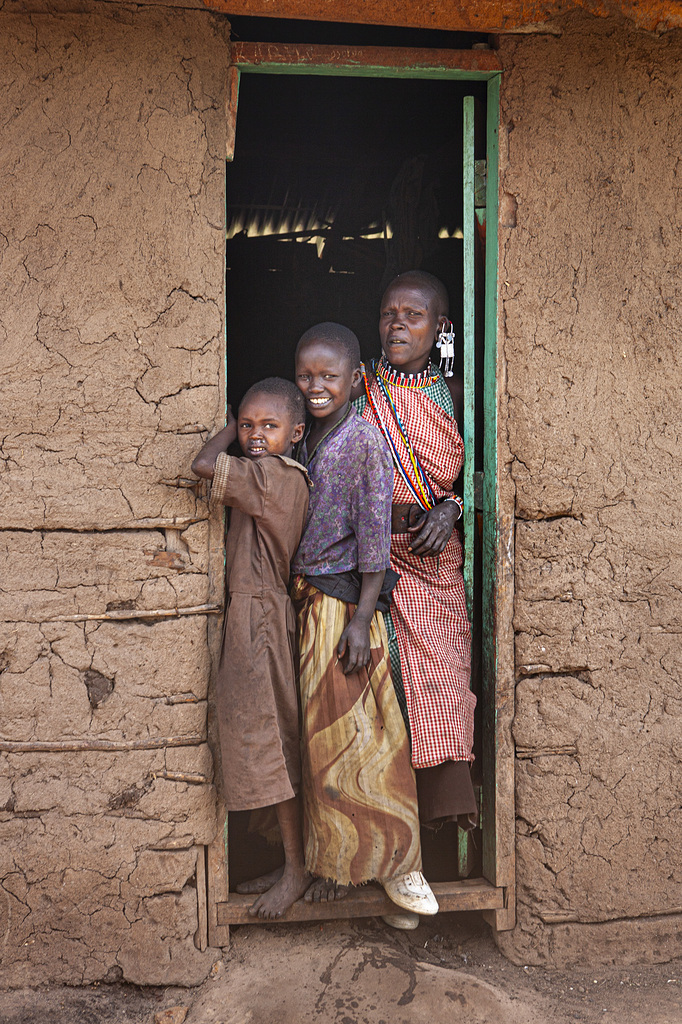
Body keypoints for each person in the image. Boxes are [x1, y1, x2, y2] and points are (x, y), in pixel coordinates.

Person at [291, 321, 438, 926]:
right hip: (308, 603)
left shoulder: (364, 442)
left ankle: (395, 865)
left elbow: (375, 542)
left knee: (362, 742)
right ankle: (331, 863)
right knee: (319, 744)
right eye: (305, 376)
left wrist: (359, 622)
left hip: (344, 610)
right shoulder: (301, 436)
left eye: (328, 376)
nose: (316, 386)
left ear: (355, 379)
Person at [355, 271, 478, 829]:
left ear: (441, 327)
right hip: (371, 556)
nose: (398, 325)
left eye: (414, 315)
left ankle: (444, 815)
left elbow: (480, 476)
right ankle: (386, 828)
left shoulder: (456, 396)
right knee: (382, 682)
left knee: (444, 673)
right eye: (389, 314)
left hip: (434, 558)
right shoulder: (358, 390)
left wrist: (451, 510)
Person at [191, 377, 311, 920]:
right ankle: (287, 863)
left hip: (259, 618)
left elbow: (202, 465)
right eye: (246, 425)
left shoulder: (273, 476)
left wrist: (224, 426)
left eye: (269, 425)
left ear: (296, 433)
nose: (255, 434)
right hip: (254, 613)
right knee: (262, 738)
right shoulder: (267, 474)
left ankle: (297, 870)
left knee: (271, 744)